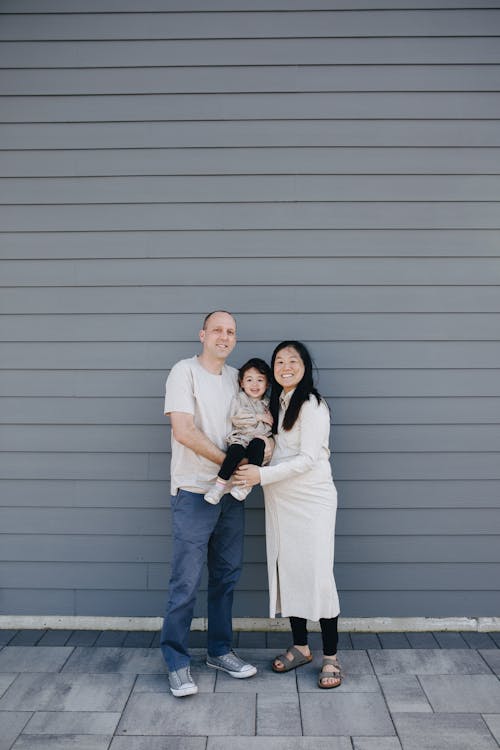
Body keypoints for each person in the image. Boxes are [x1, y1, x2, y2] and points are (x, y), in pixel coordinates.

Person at [160, 311, 259, 697]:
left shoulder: (239, 378)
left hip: (233, 493)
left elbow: (256, 424)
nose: (224, 336)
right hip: (193, 491)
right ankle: (176, 661)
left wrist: (259, 453)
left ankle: (219, 651)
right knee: (185, 581)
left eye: (231, 331)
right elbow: (183, 430)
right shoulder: (183, 372)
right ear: (203, 334)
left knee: (226, 576)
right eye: (217, 329)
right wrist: (230, 462)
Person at [235, 340, 342, 689]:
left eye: (292, 361)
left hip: (311, 502)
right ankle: (300, 647)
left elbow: (310, 458)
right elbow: (276, 449)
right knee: (290, 571)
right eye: (279, 361)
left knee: (318, 577)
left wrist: (261, 475)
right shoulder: (278, 404)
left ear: (304, 366)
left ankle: (331, 657)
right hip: (281, 501)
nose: (285, 366)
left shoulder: (311, 403)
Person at [204, 357, 273, 505]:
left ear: (267, 384)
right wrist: (259, 417)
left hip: (257, 440)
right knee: (234, 452)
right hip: (241, 438)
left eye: (260, 380)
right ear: (242, 383)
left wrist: (266, 432)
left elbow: (271, 426)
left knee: (258, 446)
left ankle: (245, 486)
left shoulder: (268, 404)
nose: (254, 384)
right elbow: (238, 418)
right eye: (249, 380)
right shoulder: (239, 399)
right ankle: (219, 486)